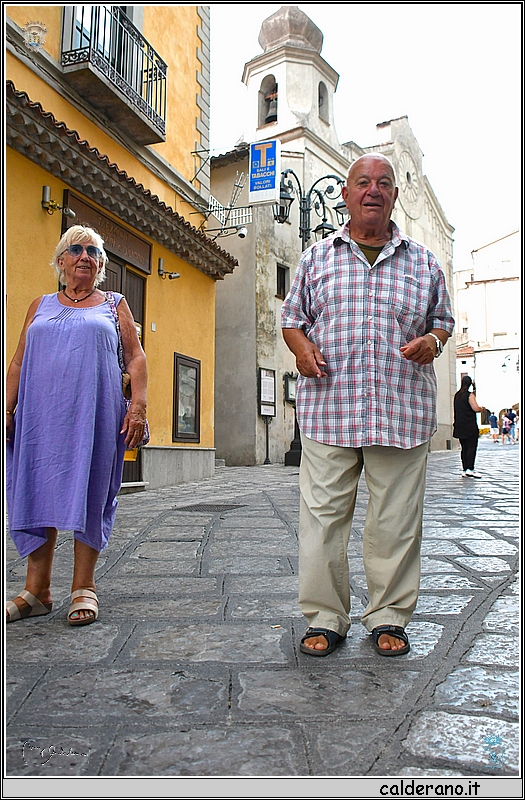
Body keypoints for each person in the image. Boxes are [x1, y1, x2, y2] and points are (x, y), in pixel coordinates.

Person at [281, 153, 454, 658]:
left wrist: (434, 342)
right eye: (362, 182)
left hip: (400, 410)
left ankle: (389, 617)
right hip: (329, 408)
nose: (372, 190)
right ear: (346, 194)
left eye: (383, 183)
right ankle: (325, 617)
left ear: (394, 195)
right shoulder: (316, 258)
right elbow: (292, 319)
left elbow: (442, 321)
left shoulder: (424, 262)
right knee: (322, 520)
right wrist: (301, 348)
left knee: (395, 522)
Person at [6, 225, 147, 626]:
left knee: (91, 489)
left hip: (94, 414)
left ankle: (84, 586)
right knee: (36, 488)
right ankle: (37, 590)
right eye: (76, 249)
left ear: (101, 264)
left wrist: (138, 405)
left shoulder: (115, 304)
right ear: (60, 261)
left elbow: (135, 357)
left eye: (93, 251)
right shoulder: (40, 305)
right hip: (39, 417)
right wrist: (6, 407)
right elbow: (18, 360)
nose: (84, 256)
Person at [453, 377, 485, 477]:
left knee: (464, 448)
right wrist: (481, 409)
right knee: (471, 447)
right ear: (470, 384)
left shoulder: (457, 395)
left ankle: (464, 469)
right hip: (469, 425)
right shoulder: (469, 395)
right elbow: (475, 408)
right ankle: (470, 468)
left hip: (459, 425)